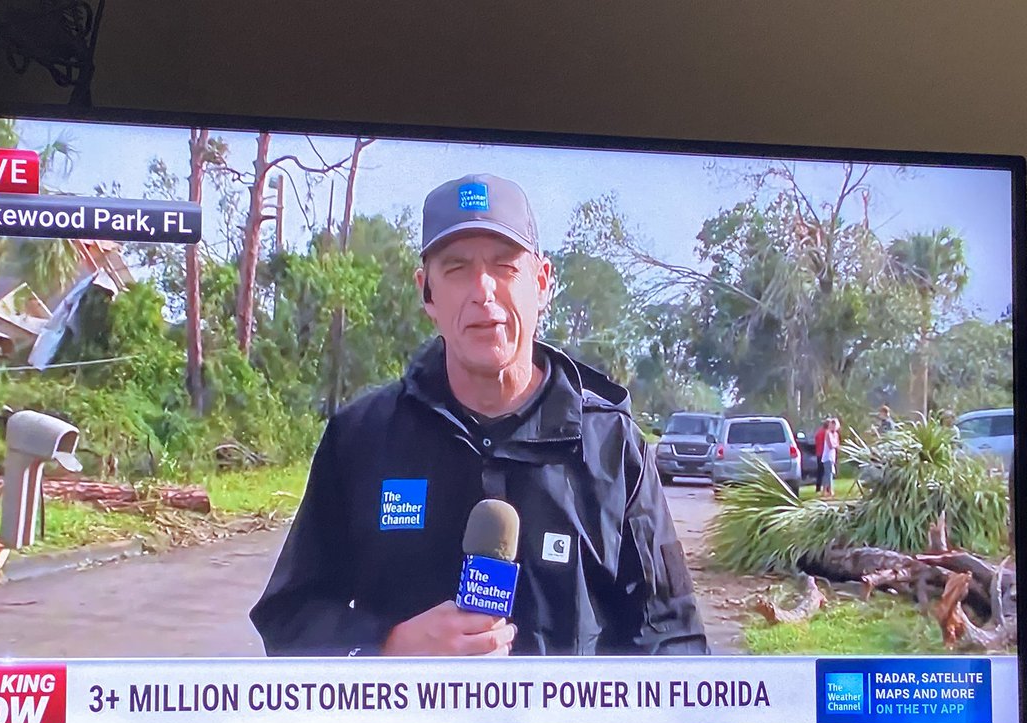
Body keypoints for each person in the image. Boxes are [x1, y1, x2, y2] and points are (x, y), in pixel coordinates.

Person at [250, 174, 707, 656]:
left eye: (505, 266)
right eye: (457, 268)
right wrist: (387, 645)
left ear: (541, 284)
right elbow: (289, 617)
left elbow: (673, 637)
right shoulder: (360, 438)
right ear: (427, 292)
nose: (483, 290)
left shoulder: (612, 445)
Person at [821, 418, 841, 499]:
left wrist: (835, 445)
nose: (833, 427)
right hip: (827, 457)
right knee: (828, 474)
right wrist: (835, 445)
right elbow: (831, 445)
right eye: (832, 425)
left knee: (829, 473)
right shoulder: (828, 433)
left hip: (832, 456)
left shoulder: (836, 434)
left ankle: (825, 490)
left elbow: (837, 444)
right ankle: (829, 490)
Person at [813, 418, 829, 494]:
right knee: (827, 471)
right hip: (825, 454)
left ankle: (818, 487)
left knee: (819, 472)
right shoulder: (827, 433)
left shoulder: (818, 432)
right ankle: (827, 488)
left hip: (819, 453)